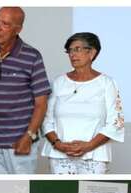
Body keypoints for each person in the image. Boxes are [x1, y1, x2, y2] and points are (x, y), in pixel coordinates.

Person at [41, 32, 125, 174]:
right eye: (70, 50)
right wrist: (58, 144)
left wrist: (88, 146)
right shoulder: (58, 82)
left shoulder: (107, 83)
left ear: (92, 52)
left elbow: (115, 122)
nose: (73, 54)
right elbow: (46, 119)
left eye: (78, 49)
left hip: (94, 155)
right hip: (60, 155)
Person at [0, 7, 50, 174]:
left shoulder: (32, 56)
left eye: (5, 23)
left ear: (18, 29)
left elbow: (41, 103)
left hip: (20, 142)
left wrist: (29, 136)